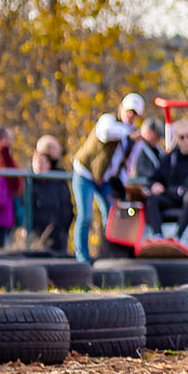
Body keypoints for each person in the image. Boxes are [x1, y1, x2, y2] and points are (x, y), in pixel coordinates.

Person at [68, 93, 144, 262]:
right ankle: (82, 258)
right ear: (121, 108)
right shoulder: (108, 121)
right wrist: (129, 133)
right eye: (129, 110)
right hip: (85, 174)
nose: (131, 115)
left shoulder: (132, 137)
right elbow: (106, 132)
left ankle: (107, 254)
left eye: (135, 113)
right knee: (85, 215)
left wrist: (120, 188)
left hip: (106, 180)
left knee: (111, 217)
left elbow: (127, 165)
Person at [28, 135, 73, 253]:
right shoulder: (30, 181)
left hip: (59, 232)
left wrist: (64, 226)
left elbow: (66, 206)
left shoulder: (59, 178)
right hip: (39, 232)